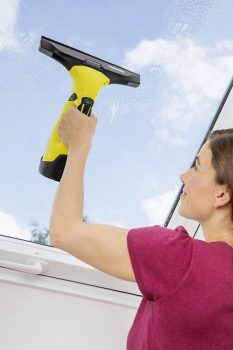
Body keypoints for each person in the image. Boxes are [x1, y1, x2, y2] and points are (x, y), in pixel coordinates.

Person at [49, 105, 233, 349]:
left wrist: (79, 143)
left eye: (197, 167)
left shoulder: (178, 258)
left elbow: (64, 231)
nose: (184, 175)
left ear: (222, 194)